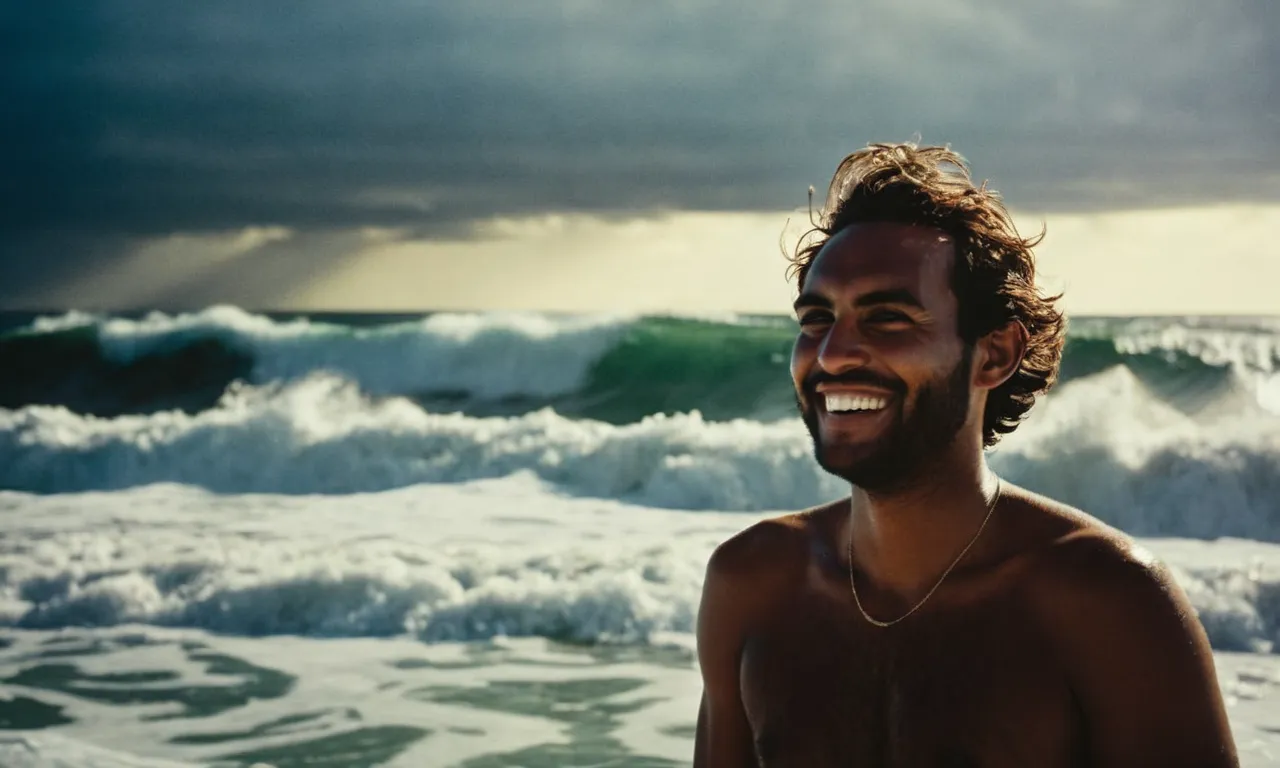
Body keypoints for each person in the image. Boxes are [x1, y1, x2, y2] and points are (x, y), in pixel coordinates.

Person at [692, 143, 1238, 767]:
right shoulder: (754, 585)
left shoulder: (1104, 604)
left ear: (994, 354)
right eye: (817, 319)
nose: (833, 353)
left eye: (889, 318)